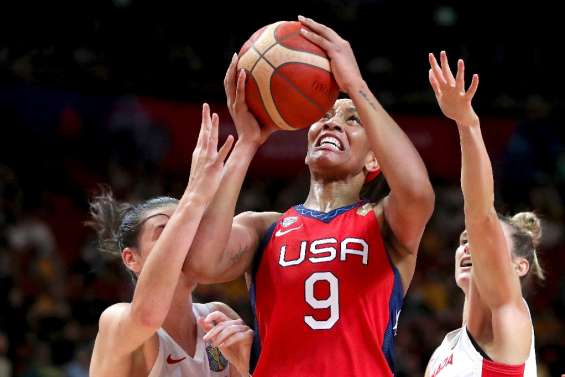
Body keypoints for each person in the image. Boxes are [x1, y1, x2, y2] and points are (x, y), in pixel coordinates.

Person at [183, 16, 435, 376]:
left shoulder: (384, 223)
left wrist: (355, 84)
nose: (332, 123)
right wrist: (248, 142)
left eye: (352, 120)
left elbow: (417, 192)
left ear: (375, 158)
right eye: (327, 114)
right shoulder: (264, 229)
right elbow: (202, 263)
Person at [88, 104, 253, 377]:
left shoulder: (218, 317)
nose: (184, 241)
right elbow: (148, 316)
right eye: (167, 231)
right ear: (131, 258)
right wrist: (195, 196)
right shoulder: (117, 320)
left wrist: (251, 368)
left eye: (189, 231)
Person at [424, 51, 543, 377]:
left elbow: (479, 214)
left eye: (478, 239)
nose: (468, 245)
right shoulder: (442, 351)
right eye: (464, 241)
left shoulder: (511, 314)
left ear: (520, 266)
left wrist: (467, 123)